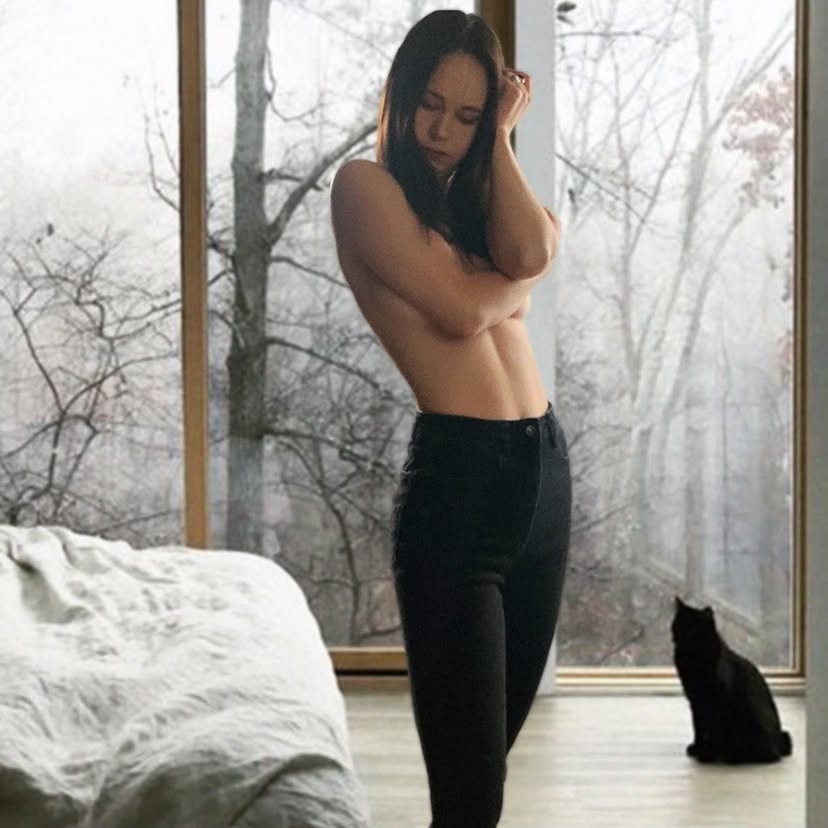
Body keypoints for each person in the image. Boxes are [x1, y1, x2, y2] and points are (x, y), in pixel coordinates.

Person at [329, 9, 571, 827]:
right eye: (430, 104)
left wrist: (499, 140)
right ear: (399, 94)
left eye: (467, 115)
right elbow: (463, 312)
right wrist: (526, 282)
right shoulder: (364, 189)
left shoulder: (477, 197)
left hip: (544, 476)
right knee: (470, 801)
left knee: (488, 770)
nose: (441, 131)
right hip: (459, 491)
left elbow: (528, 252)